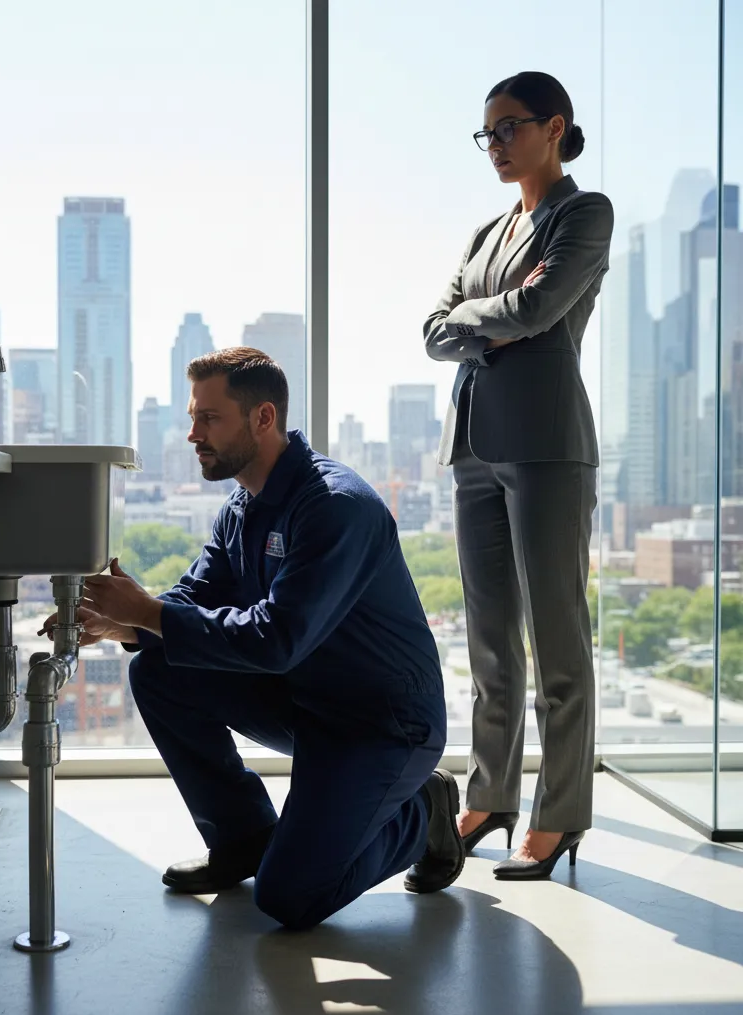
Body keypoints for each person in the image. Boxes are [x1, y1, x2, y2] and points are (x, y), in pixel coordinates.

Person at [45, 347, 463, 930]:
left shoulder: (335, 508)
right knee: (158, 670)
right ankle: (243, 841)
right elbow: (193, 601)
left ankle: (421, 813)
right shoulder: (240, 508)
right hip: (304, 702)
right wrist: (130, 625)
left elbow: (277, 639)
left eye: (209, 418)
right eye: (193, 418)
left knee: (290, 898)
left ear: (263, 418)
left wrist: (148, 612)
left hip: (381, 724)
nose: (193, 434)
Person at [424, 71, 613, 879]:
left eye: (508, 129)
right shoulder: (483, 234)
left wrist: (481, 320)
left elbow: (539, 313)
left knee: (558, 642)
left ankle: (560, 813)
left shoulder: (584, 214)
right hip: (473, 447)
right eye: (487, 133)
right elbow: (434, 331)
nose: (495, 145)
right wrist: (485, 325)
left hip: (546, 447)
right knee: (490, 640)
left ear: (553, 127)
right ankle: (492, 795)